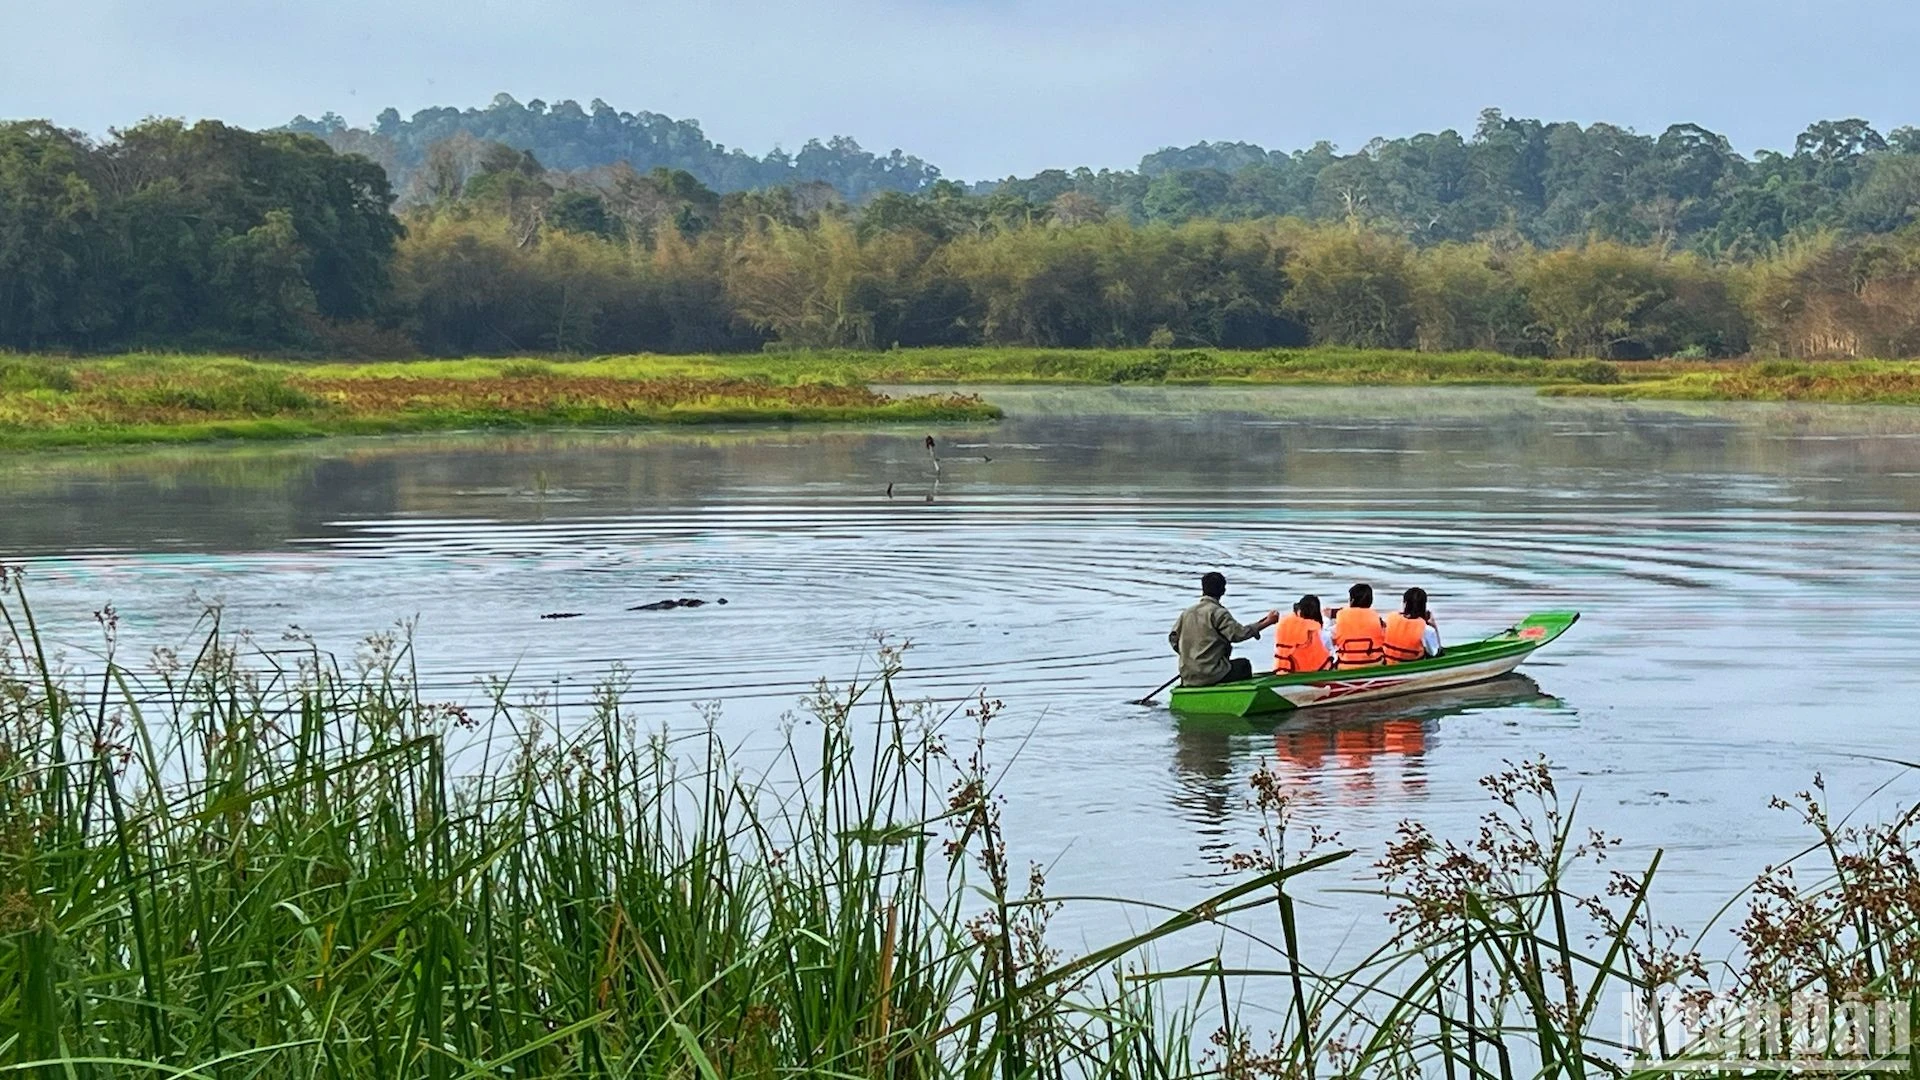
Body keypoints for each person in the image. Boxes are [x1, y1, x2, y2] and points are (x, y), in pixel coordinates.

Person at [1169, 572, 1278, 686]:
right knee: (1244, 665)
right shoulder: (1218, 612)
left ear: (1203, 589)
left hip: (1188, 674)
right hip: (1211, 673)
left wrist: (1190, 656)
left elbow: (1173, 638)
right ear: (1223, 590)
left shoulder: (1187, 613)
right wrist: (1267, 622)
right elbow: (1239, 634)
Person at [1273, 594, 1334, 674]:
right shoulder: (1319, 632)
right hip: (1314, 673)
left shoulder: (1284, 627)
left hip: (1283, 671)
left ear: (1299, 612)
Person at [1331, 583, 1387, 668]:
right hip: (1374, 664)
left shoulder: (1341, 616)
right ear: (1371, 601)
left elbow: (1334, 640)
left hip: (1346, 665)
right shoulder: (1377, 619)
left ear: (1352, 600)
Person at [1382, 587, 1442, 664]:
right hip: (1410, 664)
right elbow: (1435, 653)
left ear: (1405, 604)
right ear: (1423, 606)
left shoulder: (1390, 619)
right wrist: (1434, 626)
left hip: (1388, 662)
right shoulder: (1427, 629)